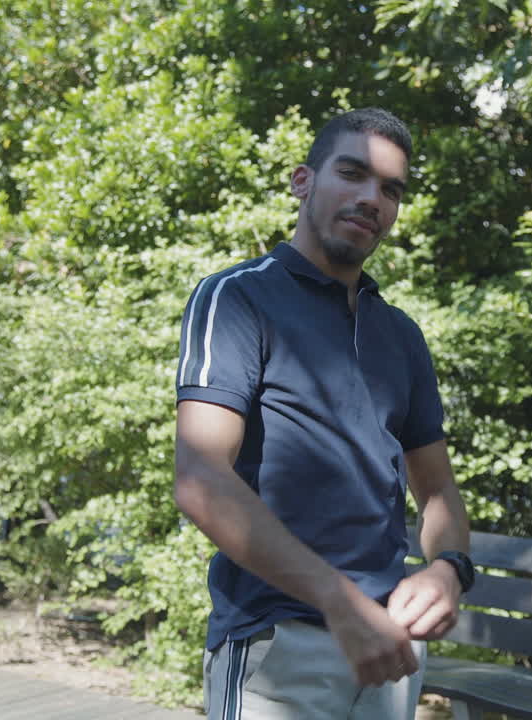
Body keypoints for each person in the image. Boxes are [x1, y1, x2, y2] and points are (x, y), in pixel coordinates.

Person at [174, 107, 473, 720]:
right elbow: (200, 479)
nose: (373, 199)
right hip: (278, 647)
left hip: (391, 655)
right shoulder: (238, 297)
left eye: (391, 189)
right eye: (353, 174)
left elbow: (437, 489)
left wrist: (449, 568)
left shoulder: (402, 336)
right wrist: (339, 603)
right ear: (302, 181)